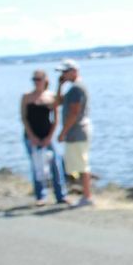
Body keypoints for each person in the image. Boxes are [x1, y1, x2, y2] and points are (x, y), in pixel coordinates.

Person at [20, 70, 67, 206]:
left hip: (47, 135)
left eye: (39, 79)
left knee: (56, 165)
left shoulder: (51, 96)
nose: (36, 82)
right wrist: (31, 136)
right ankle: (40, 196)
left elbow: (56, 118)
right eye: (34, 79)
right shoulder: (26, 97)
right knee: (37, 166)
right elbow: (24, 118)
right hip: (31, 136)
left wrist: (49, 137)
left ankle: (61, 195)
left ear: (45, 80)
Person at [55, 59, 94, 207]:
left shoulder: (77, 88)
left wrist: (63, 132)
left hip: (77, 131)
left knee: (82, 165)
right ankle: (85, 195)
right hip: (76, 131)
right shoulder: (73, 89)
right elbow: (58, 102)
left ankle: (87, 196)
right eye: (62, 72)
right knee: (79, 164)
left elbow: (74, 113)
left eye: (65, 72)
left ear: (74, 71)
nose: (63, 75)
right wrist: (60, 85)